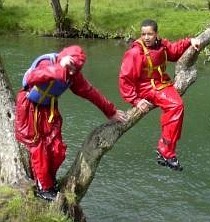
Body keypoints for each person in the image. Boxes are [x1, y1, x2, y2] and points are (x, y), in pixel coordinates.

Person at [15, 45, 127, 201]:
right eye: (71, 67)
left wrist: (111, 111)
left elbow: (90, 92)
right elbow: (31, 78)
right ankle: (44, 188)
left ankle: (48, 180)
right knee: (38, 146)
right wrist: (60, 68)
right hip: (29, 107)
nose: (73, 72)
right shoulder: (48, 63)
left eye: (77, 69)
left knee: (57, 149)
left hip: (49, 108)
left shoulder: (73, 75)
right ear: (64, 59)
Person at [119, 19, 200, 171]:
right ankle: (165, 151)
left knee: (177, 107)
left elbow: (174, 51)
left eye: (150, 34)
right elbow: (125, 79)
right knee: (176, 106)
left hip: (161, 85)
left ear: (156, 34)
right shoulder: (135, 53)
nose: (146, 37)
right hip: (147, 88)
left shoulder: (161, 45)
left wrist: (190, 41)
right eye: (143, 34)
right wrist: (136, 100)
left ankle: (167, 150)